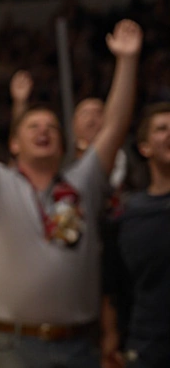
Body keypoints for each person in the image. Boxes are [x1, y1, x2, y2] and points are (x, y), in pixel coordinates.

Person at [0, 19, 142, 368]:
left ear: (62, 143)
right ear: (15, 143)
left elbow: (115, 127)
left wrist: (127, 62)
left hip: (80, 343)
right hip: (17, 344)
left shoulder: (83, 181)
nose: (43, 131)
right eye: (33, 127)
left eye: (51, 128)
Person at [107, 103, 170, 366]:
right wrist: (110, 336)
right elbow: (112, 284)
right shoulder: (129, 216)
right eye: (162, 129)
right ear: (144, 148)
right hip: (150, 347)